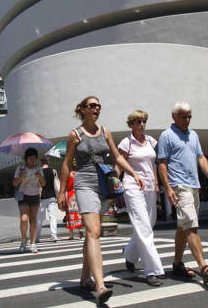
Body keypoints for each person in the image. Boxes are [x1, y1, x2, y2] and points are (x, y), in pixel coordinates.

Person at [57, 96, 144, 306]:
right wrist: (61, 192)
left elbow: (117, 157)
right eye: (92, 106)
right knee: (94, 231)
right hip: (84, 183)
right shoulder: (75, 135)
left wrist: (133, 173)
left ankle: (84, 279)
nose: (96, 109)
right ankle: (100, 285)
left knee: (91, 235)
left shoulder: (104, 131)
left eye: (98, 106)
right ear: (83, 110)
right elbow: (67, 164)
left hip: (104, 186)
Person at [157, 101, 208, 284]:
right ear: (174, 117)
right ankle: (203, 266)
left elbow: (200, 157)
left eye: (189, 116)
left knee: (183, 227)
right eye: (183, 116)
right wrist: (168, 188)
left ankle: (177, 264)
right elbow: (162, 163)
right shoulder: (166, 136)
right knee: (191, 224)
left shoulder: (194, 135)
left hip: (195, 185)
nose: (187, 120)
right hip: (179, 186)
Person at [117, 110, 164, 286]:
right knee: (144, 228)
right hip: (132, 187)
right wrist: (114, 183)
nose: (141, 125)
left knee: (148, 224)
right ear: (131, 124)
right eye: (137, 122)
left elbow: (154, 165)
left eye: (143, 121)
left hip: (150, 188)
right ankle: (152, 270)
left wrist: (157, 185)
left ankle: (129, 253)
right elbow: (120, 163)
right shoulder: (126, 142)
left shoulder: (151, 141)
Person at [13, 148, 45, 253]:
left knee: (33, 220)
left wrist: (39, 176)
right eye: (30, 158)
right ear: (26, 158)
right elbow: (14, 183)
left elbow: (44, 183)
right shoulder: (20, 168)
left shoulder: (38, 168)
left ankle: (33, 243)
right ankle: (23, 240)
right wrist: (22, 176)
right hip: (23, 196)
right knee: (24, 219)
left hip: (35, 196)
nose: (32, 160)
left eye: (34, 158)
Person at [37, 157, 60, 242]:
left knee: (39, 218)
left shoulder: (39, 172)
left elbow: (39, 186)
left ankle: (37, 237)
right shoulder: (53, 171)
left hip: (42, 197)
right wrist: (58, 196)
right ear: (48, 162)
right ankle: (54, 235)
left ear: (41, 163)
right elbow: (57, 185)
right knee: (52, 217)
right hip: (52, 196)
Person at [65, 170, 83, 239]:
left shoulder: (68, 174)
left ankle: (71, 235)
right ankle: (79, 230)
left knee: (70, 214)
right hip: (77, 193)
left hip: (70, 194)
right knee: (77, 213)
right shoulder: (78, 173)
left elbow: (67, 186)